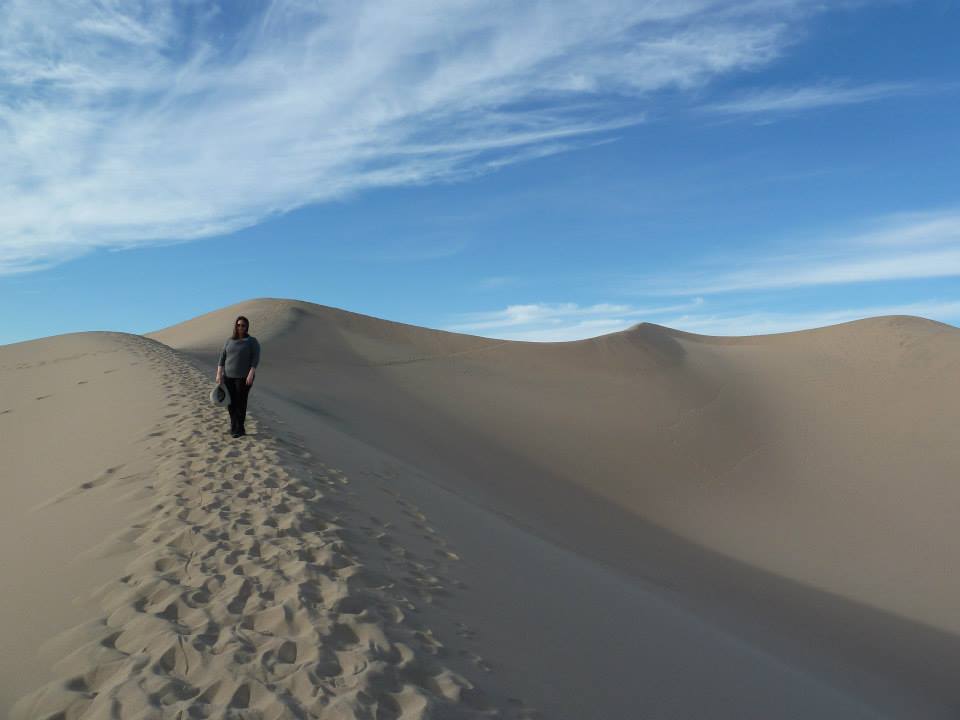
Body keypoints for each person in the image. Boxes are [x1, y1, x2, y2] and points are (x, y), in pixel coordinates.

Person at [216, 315, 260, 438]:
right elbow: (222, 358)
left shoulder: (252, 341)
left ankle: (240, 428)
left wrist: (251, 374)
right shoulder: (229, 341)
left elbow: (255, 359)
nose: (240, 327)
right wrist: (219, 374)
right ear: (236, 326)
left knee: (241, 402)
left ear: (247, 327)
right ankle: (233, 425)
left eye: (243, 325)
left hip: (244, 377)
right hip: (228, 377)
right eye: (238, 325)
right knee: (230, 403)